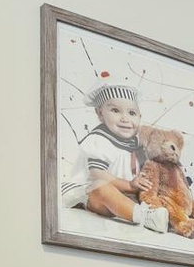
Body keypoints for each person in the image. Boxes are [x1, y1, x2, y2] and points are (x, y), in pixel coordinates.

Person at [62, 83, 169, 232]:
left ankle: (161, 214)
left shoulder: (137, 142)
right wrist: (129, 185)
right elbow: (97, 174)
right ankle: (145, 217)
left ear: (140, 117)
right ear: (100, 114)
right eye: (115, 110)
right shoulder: (100, 139)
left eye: (132, 113)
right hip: (94, 195)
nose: (125, 118)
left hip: (127, 196)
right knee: (100, 187)